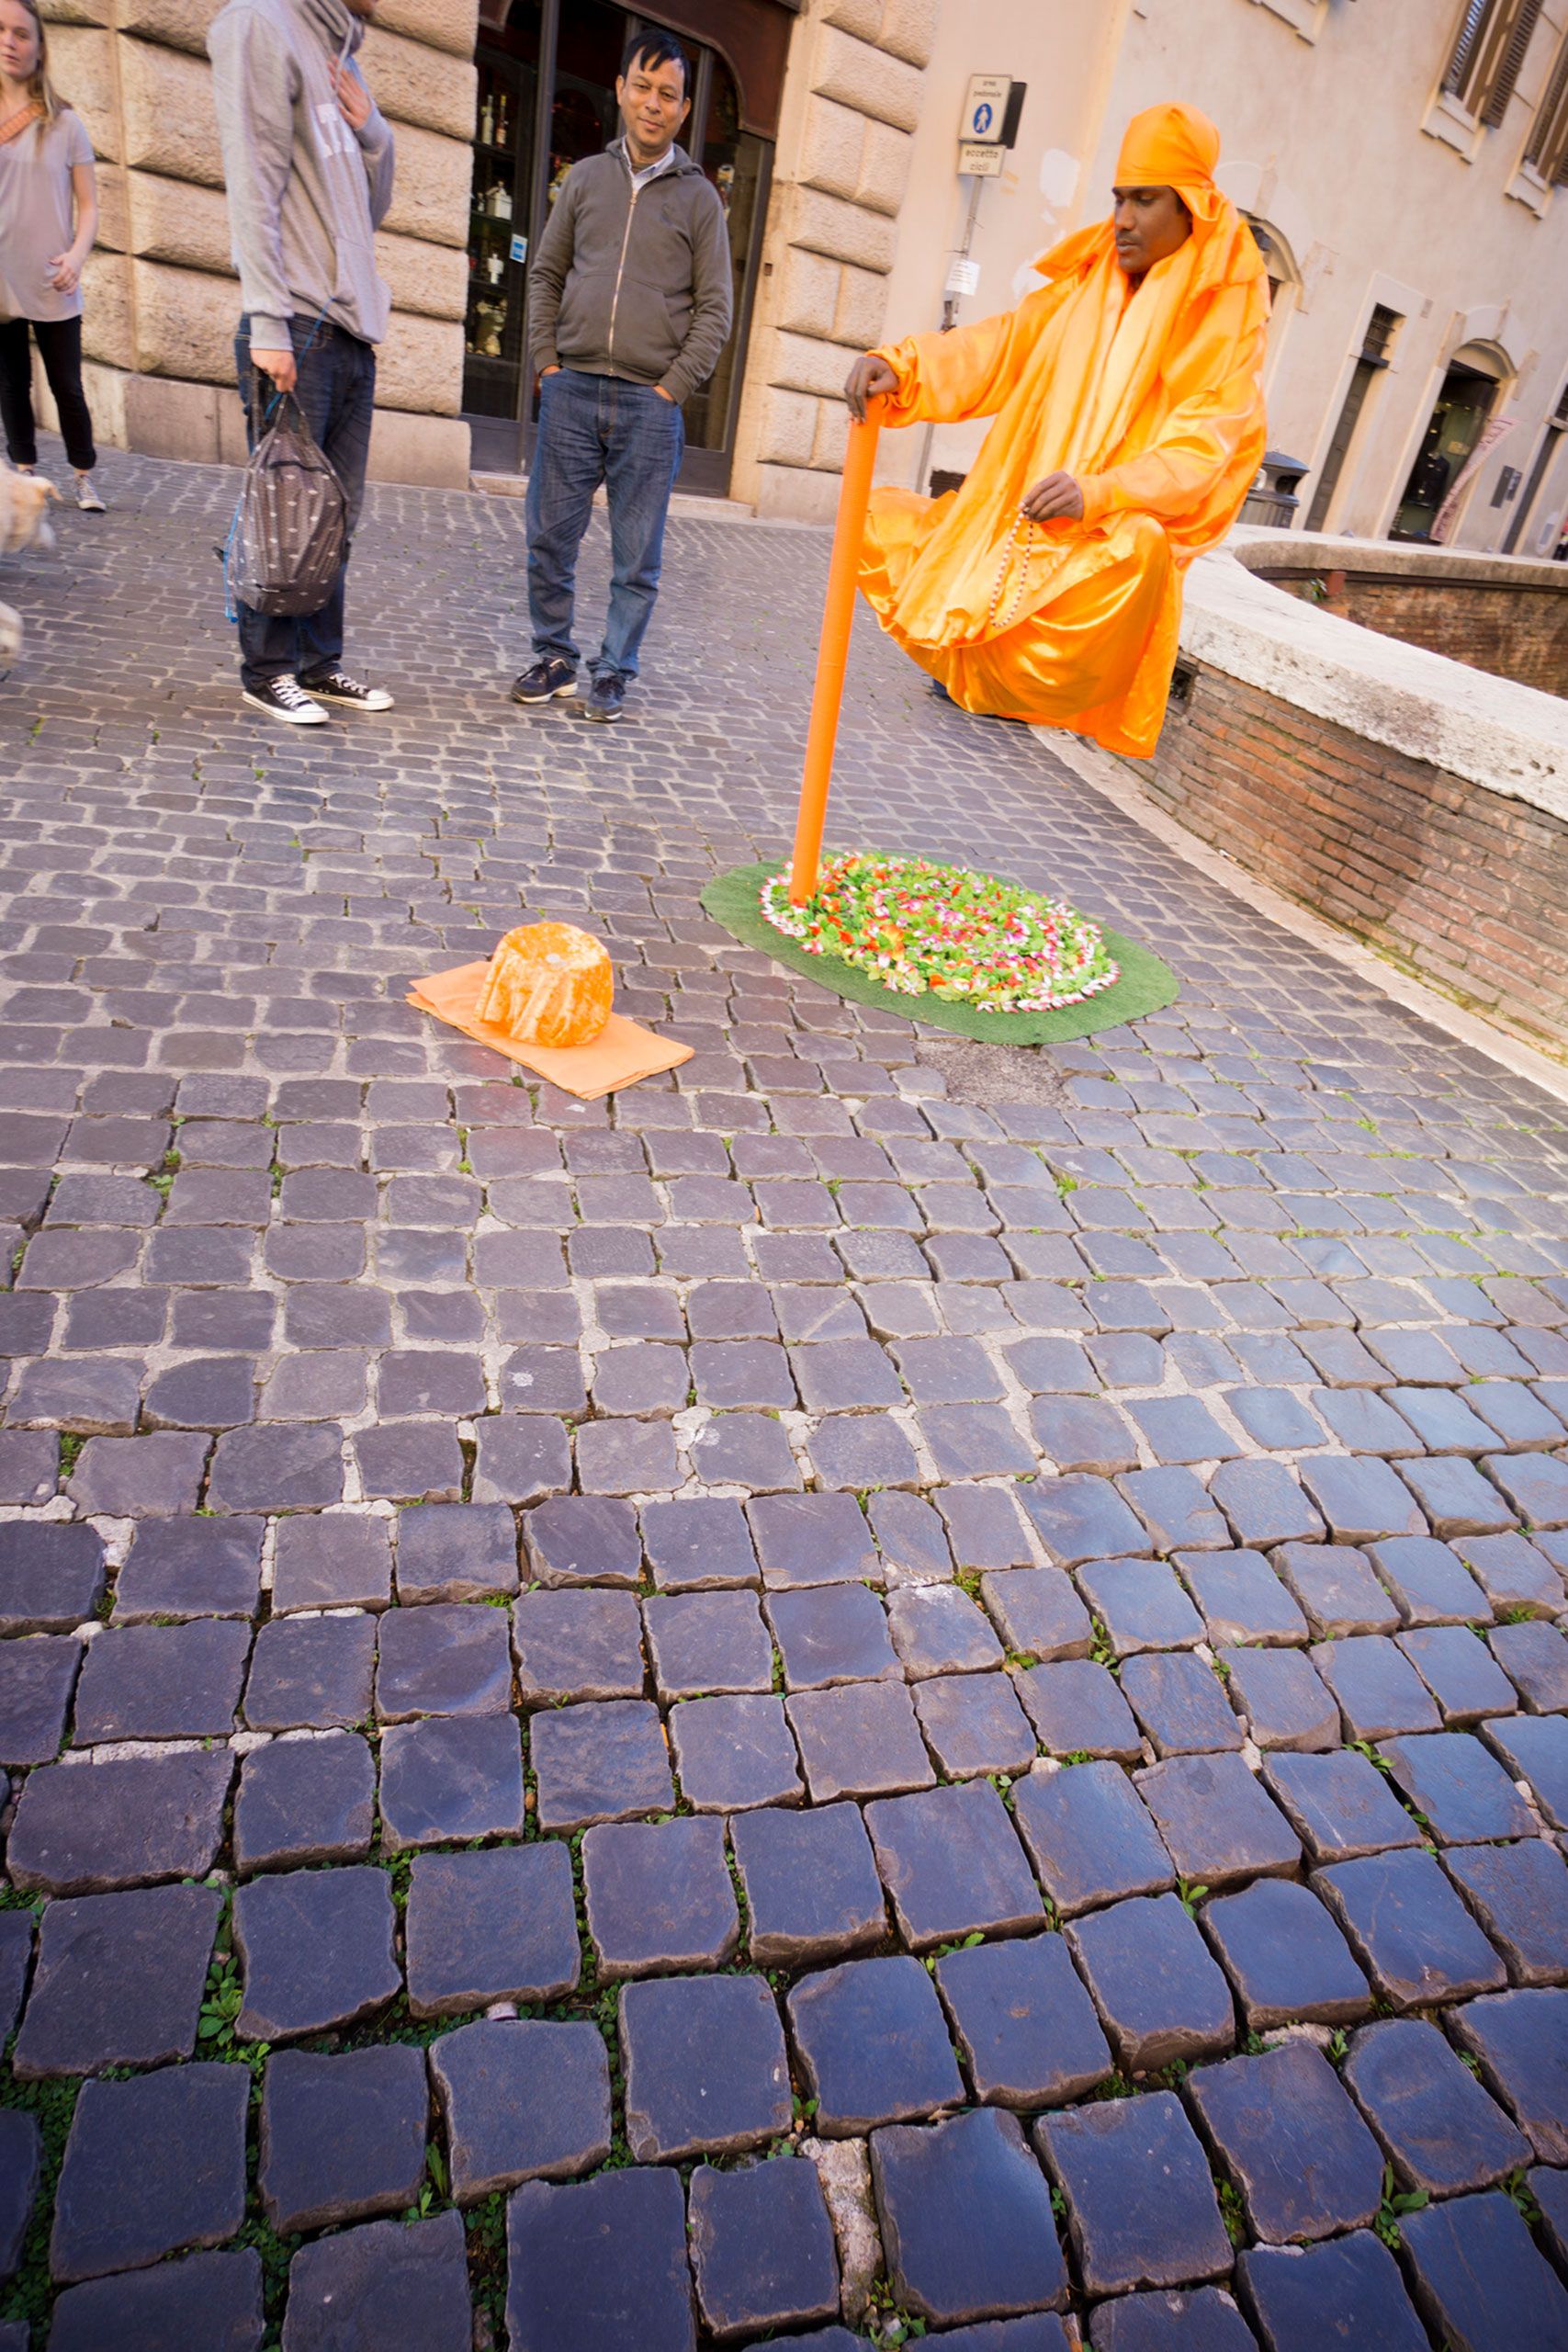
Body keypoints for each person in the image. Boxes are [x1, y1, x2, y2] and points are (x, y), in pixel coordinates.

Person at [844, 102, 1268, 758]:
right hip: (1010, 532)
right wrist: (902, 367)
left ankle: (1026, 683)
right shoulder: (1085, 283)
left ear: (1191, 208)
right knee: (872, 524)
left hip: (1090, 554)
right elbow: (1002, 347)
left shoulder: (1223, 318)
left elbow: (1199, 450)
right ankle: (976, 664)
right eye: (1118, 198)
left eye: (1144, 200)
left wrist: (1096, 493)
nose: (1122, 220)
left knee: (1138, 546)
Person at [513, 28, 732, 724]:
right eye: (642, 87)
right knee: (550, 536)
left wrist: (672, 389)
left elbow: (715, 310)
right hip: (573, 388)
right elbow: (546, 274)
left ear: (683, 109)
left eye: (668, 94)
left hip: (649, 403)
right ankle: (554, 656)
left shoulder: (700, 200)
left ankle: (613, 669)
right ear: (619, 89)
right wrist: (547, 363)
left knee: (636, 556)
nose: (652, 104)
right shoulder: (584, 179)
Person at [208, 0, 395, 725]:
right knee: (283, 510)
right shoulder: (262, 23)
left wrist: (373, 133)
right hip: (297, 323)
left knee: (334, 517)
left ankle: (319, 663)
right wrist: (267, 319)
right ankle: (266, 668)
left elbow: (364, 212)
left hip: (350, 328)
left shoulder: (341, 57)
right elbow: (252, 183)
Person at [0, 0, 105, 512]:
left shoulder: (66, 124)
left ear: (40, 48)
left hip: (52, 276)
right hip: (1, 277)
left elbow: (88, 207)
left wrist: (77, 257)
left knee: (66, 384)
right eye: (1, 30)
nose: (9, 41)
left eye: (21, 33)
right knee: (11, 382)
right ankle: (24, 476)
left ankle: (83, 474)